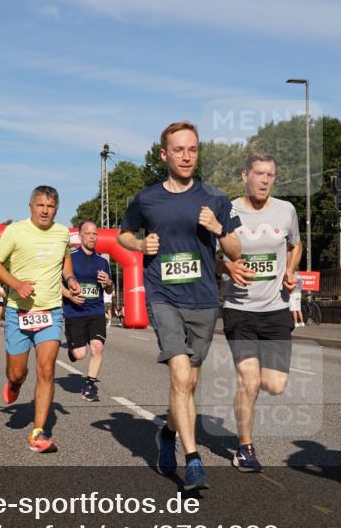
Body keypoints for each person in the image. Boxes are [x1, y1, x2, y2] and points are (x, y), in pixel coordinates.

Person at [118, 121, 242, 491]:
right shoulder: (147, 199)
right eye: (178, 150)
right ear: (164, 155)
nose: (186, 156)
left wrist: (218, 228)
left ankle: (168, 434)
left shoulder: (216, 198)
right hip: (163, 296)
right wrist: (140, 245)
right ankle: (194, 461)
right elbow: (124, 234)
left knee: (189, 383)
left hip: (203, 300)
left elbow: (235, 250)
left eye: (192, 150)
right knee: (180, 375)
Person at [218, 152, 302, 473]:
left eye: (270, 175)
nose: (265, 180)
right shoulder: (228, 212)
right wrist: (226, 266)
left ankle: (248, 395)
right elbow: (208, 255)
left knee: (275, 385)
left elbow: (296, 244)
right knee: (249, 380)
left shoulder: (286, 210)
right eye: (259, 174)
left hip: (276, 309)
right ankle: (245, 447)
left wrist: (290, 271)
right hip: (239, 309)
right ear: (245, 176)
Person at [0, 185, 80, 454]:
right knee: (17, 372)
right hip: (18, 312)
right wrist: (16, 285)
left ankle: (38, 433)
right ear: (31, 206)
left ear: (56, 209)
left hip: (50, 311)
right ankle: (15, 383)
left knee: (47, 369)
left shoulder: (62, 233)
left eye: (50, 206)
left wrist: (71, 279)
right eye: (40, 205)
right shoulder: (15, 231)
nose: (45, 210)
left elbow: (65, 262)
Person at [62, 221, 113, 402]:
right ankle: (72, 349)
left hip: (95, 310)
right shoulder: (70, 258)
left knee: (97, 348)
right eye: (88, 233)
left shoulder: (102, 261)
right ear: (80, 236)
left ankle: (89, 386)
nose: (92, 237)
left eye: (94, 234)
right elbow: (56, 284)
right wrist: (69, 295)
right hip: (74, 312)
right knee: (79, 354)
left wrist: (108, 283)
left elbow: (109, 289)